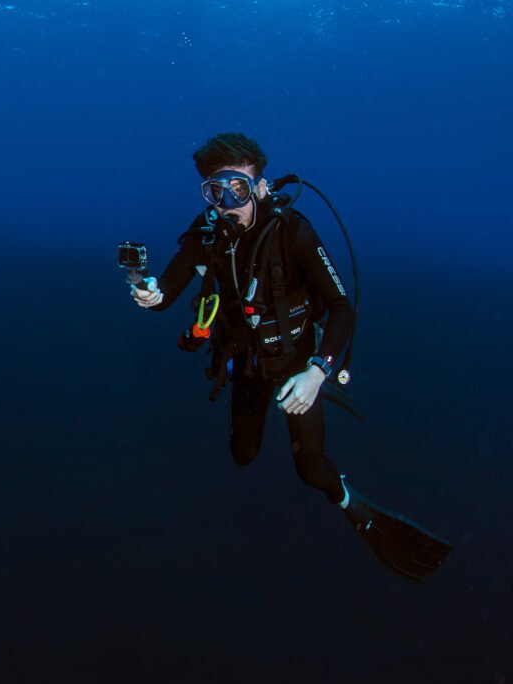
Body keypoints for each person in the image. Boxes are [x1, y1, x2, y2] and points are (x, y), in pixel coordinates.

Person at [131, 132, 450, 582]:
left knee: (311, 469)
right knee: (243, 453)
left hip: (300, 366)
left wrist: (318, 373)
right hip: (246, 364)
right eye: (214, 191)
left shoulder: (292, 231)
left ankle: (356, 509)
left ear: (260, 187)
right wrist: (149, 294)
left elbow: (341, 307)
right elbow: (166, 294)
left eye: (237, 188)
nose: (227, 202)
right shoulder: (206, 237)